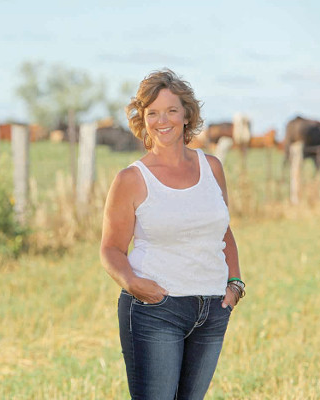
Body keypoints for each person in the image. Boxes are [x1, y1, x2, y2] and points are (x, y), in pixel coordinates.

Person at [99, 69, 245, 400]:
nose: (162, 121)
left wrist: (235, 284)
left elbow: (223, 231)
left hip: (211, 310)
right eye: (152, 113)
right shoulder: (131, 179)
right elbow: (110, 249)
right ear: (142, 119)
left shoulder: (213, 167)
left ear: (186, 115)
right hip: (156, 310)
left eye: (171, 111)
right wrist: (132, 283)